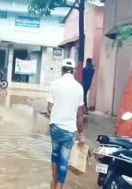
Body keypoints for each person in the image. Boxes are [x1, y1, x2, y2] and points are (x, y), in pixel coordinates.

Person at [47, 58, 86, 189]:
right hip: (69, 130)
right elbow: (80, 115)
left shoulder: (54, 84)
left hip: (54, 127)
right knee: (63, 162)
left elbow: (49, 108)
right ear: (73, 71)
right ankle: (58, 187)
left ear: (62, 70)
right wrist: (81, 134)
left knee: (55, 155)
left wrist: (58, 111)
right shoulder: (79, 88)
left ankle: (53, 181)